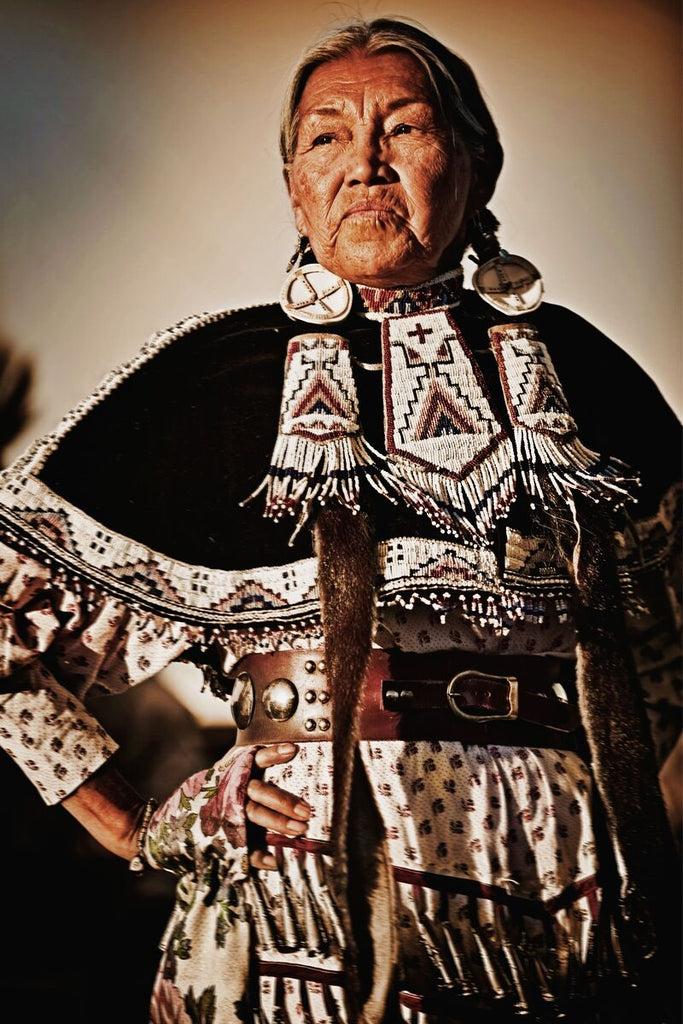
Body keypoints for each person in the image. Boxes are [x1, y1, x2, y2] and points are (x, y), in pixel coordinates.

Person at [0, 16, 680, 1024]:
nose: (364, 161)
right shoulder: (211, 384)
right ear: (293, 187)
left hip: (570, 916)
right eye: (325, 136)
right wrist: (139, 823)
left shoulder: (590, 384)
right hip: (300, 909)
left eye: (403, 127)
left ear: (476, 167)